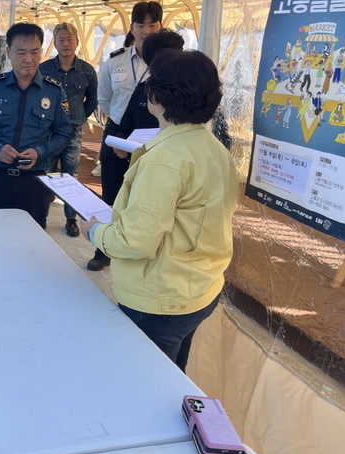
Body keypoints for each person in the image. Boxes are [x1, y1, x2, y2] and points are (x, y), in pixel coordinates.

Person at [80, 49, 239, 372]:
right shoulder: (214, 150)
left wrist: (95, 231)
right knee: (172, 377)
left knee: (145, 385)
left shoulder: (164, 159)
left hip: (160, 298)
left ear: (158, 95)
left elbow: (135, 241)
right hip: (199, 287)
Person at [0, 22, 72, 229]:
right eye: (21, 52)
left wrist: (40, 151)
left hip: (34, 182)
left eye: (34, 52)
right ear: (8, 52)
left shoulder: (53, 91)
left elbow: (64, 133)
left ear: (42, 52)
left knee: (31, 241)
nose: (28, 59)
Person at [90, 1, 163, 271]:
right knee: (112, 191)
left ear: (160, 26)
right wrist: (123, 127)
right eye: (140, 25)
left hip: (155, 137)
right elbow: (105, 98)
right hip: (118, 132)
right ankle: (104, 249)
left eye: (152, 24)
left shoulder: (168, 63)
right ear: (131, 27)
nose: (146, 31)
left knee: (147, 195)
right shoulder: (116, 60)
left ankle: (138, 248)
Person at [39, 22, 98, 237]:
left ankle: (71, 218)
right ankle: (42, 214)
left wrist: (80, 116)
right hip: (48, 130)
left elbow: (92, 99)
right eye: (61, 40)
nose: (65, 44)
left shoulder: (87, 71)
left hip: (73, 129)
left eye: (69, 39)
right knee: (46, 172)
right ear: (54, 43)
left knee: (71, 175)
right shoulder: (44, 69)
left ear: (77, 42)